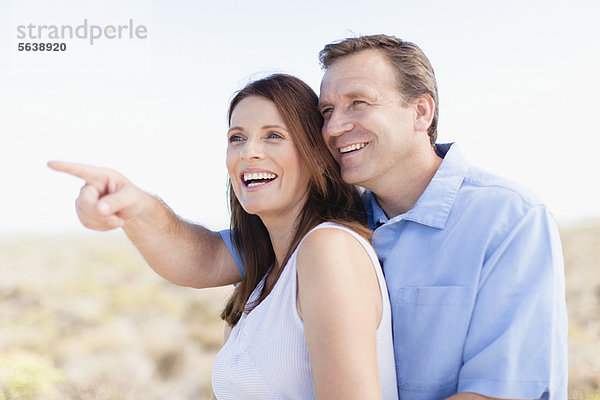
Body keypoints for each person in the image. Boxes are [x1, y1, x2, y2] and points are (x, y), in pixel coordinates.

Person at [49, 34, 568, 400]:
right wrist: (134, 205)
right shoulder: (340, 214)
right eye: (325, 112)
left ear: (421, 111)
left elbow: (505, 393)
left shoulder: (507, 218)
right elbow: (206, 257)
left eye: (357, 103)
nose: (337, 126)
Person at [50, 74, 399, 400]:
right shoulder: (260, 276)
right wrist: (131, 205)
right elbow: (196, 259)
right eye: (237, 138)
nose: (249, 152)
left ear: (319, 159)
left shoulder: (329, 250)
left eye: (273, 135)